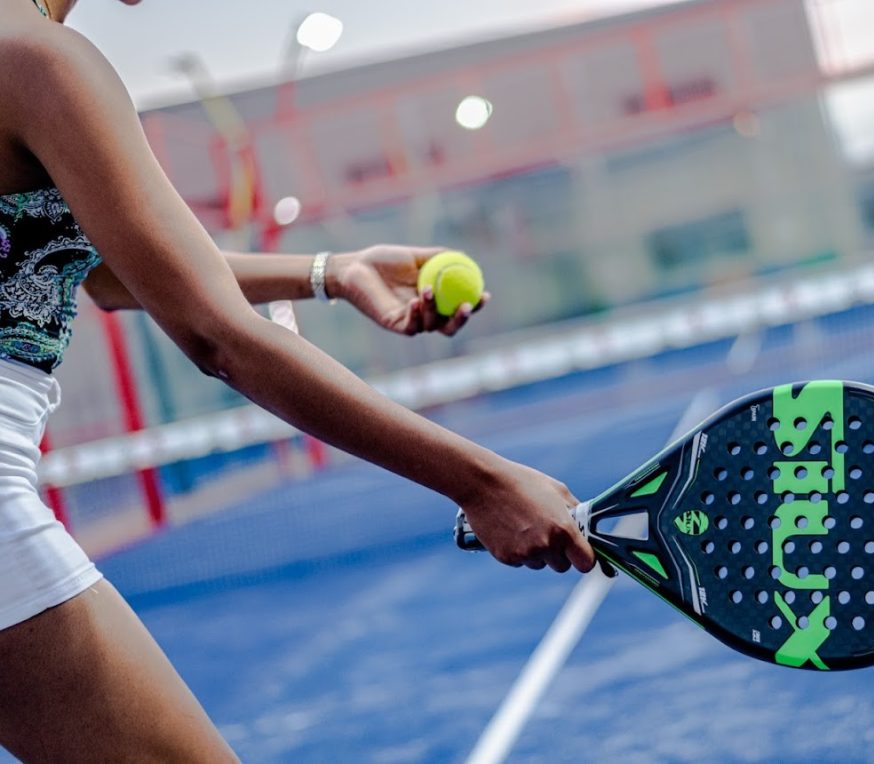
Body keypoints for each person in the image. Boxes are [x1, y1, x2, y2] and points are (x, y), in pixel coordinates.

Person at [0, 0, 596, 760]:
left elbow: (115, 274)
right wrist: (479, 481)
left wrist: (336, 273)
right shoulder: (44, 61)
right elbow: (218, 336)